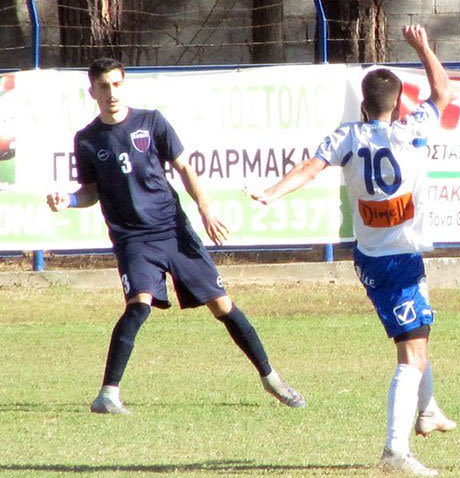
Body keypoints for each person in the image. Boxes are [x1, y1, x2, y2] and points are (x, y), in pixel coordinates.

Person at [245, 25, 455, 477]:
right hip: (396, 261)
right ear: (399, 103)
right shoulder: (412, 128)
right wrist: (422, 47)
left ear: (363, 104)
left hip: (373, 256)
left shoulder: (348, 137)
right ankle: (395, 451)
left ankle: (428, 410)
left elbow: (309, 167)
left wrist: (272, 193)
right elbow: (443, 91)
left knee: (418, 334)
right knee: (411, 354)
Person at [46, 57, 305, 414]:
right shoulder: (87, 139)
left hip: (172, 229)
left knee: (222, 305)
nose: (111, 93)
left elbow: (184, 167)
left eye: (117, 84)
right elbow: (91, 191)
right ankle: (107, 394)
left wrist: (205, 208)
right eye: (103, 86)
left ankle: (271, 378)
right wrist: (70, 200)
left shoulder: (151, 121)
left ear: (124, 85)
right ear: (92, 92)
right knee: (139, 305)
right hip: (133, 237)